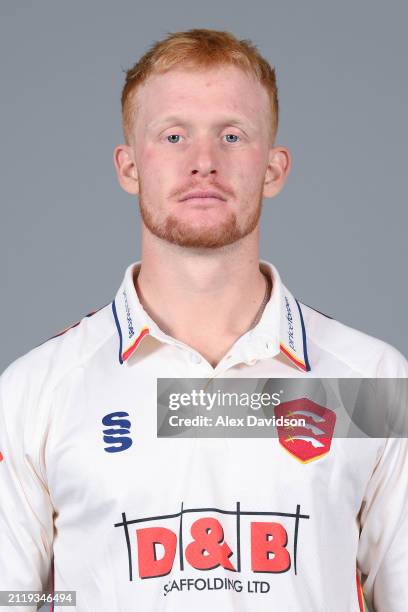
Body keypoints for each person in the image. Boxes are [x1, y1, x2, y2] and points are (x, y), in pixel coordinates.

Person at [0, 28, 407, 612]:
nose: (203, 163)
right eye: (173, 135)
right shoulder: (34, 391)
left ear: (273, 168)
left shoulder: (370, 380)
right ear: (129, 166)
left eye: (232, 135)